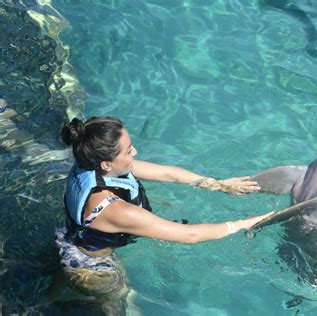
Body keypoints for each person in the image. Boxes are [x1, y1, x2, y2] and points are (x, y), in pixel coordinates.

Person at [48, 116, 273, 315]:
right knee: (123, 303)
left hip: (75, 243)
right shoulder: (116, 210)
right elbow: (190, 235)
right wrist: (245, 223)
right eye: (128, 151)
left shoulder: (89, 163)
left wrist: (218, 185)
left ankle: (51, 293)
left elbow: (168, 173)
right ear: (106, 163)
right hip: (94, 268)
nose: (134, 152)